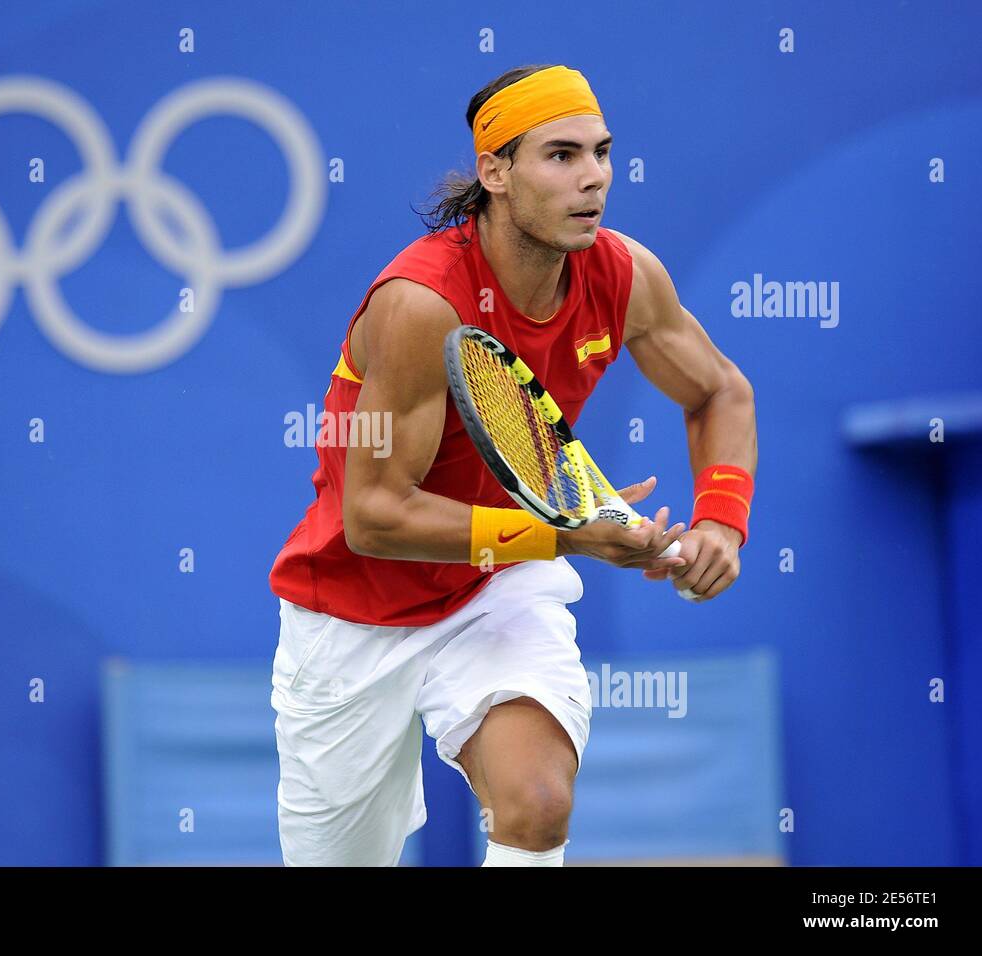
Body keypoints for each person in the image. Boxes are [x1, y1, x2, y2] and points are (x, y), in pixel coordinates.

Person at [268, 64, 758, 867]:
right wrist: (570, 537)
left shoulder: (625, 275)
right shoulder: (421, 302)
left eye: (601, 153)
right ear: (494, 172)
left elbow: (720, 391)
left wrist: (721, 522)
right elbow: (376, 518)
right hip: (350, 613)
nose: (593, 177)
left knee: (537, 804)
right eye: (560, 156)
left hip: (493, 588)